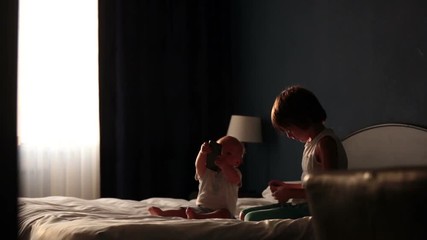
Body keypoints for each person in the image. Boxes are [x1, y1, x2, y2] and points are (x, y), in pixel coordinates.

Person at [240, 85, 348, 221]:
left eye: (289, 129)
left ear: (301, 119)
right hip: (306, 203)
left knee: (250, 218)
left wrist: (291, 193)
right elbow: (312, 183)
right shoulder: (311, 143)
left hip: (318, 207)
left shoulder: (325, 143)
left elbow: (329, 189)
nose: (289, 135)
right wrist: (286, 186)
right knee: (244, 213)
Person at [148, 135, 245, 219]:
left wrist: (224, 166)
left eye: (228, 153)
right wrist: (202, 153)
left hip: (222, 210)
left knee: (224, 214)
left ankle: (198, 217)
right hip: (201, 208)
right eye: (219, 150)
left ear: (237, 162)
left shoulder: (235, 173)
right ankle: (163, 213)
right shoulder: (208, 170)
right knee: (183, 210)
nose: (222, 155)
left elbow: (234, 179)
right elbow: (198, 167)